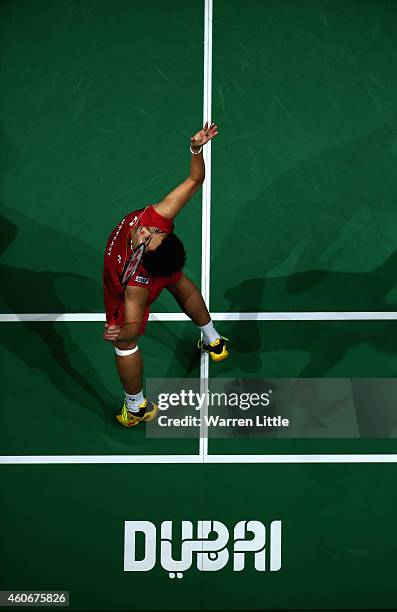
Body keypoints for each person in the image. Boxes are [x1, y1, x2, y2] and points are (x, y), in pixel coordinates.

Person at [103, 122, 228, 427]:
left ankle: (135, 408)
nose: (144, 229)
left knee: (124, 347)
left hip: (138, 282)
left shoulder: (134, 284)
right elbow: (196, 179)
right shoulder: (159, 218)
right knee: (180, 283)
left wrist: (120, 333)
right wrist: (196, 148)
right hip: (165, 270)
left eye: (147, 238)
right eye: (153, 232)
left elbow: (132, 329)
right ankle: (214, 341)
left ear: (143, 257)